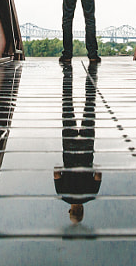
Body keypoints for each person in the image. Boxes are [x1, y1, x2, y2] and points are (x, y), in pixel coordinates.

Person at [54, 62, 101, 223]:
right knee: (67, 106)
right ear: (70, 211)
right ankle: (68, 75)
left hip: (87, 148)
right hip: (69, 148)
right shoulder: (63, 195)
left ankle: (91, 76)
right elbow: (56, 173)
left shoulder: (91, 195)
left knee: (89, 106)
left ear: (82, 210)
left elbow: (98, 175)